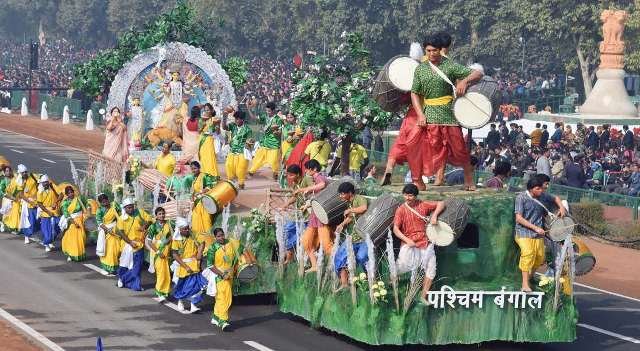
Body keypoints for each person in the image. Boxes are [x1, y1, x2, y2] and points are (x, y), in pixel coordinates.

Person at [406, 33, 483, 190]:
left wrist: (464, 81)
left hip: (449, 113)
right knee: (416, 145)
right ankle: (417, 180)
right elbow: (414, 92)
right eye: (428, 50)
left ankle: (469, 179)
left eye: (434, 50)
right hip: (428, 114)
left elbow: (478, 73)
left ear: (440, 50)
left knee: (459, 148)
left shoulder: (450, 66)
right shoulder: (420, 69)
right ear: (425, 50)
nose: (431, 54)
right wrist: (420, 113)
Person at [393, 184, 444, 304]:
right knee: (400, 266)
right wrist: (407, 240)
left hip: (425, 242)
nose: (407, 198)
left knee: (431, 269)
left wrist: (435, 215)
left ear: (415, 196)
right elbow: (395, 229)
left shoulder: (423, 204)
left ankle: (423, 296)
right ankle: (391, 285)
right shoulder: (401, 209)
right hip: (409, 243)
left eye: (410, 195)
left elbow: (441, 203)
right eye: (405, 195)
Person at [333, 182, 368, 290]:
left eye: (342, 194)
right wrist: (342, 225)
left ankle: (367, 282)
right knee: (339, 256)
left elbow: (363, 208)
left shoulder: (359, 198)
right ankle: (344, 284)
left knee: (362, 257)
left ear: (350, 193)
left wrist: (350, 210)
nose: (340, 196)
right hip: (353, 237)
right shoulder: (349, 202)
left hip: (364, 237)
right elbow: (352, 217)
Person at [206, 228, 241, 329]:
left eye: (222, 235)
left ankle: (216, 317)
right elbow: (210, 265)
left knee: (221, 298)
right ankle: (223, 320)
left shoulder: (230, 243)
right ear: (215, 237)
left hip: (230, 275)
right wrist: (222, 274)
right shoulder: (212, 248)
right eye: (218, 236)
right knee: (224, 298)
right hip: (219, 276)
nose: (221, 237)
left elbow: (239, 251)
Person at [299, 159, 329, 273]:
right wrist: (307, 205)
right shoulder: (314, 179)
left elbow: (322, 185)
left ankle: (336, 267)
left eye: (308, 168)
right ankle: (314, 265)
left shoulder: (319, 177)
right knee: (306, 241)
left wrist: (305, 188)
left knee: (326, 245)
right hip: (314, 216)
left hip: (321, 217)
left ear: (314, 169)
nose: (306, 170)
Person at [116, 198, 153, 291]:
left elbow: (150, 219)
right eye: (128, 208)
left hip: (139, 244)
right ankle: (126, 280)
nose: (131, 209)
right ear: (124, 208)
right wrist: (130, 242)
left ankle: (129, 282)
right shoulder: (121, 219)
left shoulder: (139, 212)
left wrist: (145, 226)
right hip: (127, 245)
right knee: (126, 265)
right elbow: (121, 233)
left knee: (138, 266)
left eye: (132, 207)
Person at [171, 218, 207, 313]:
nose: (187, 230)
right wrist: (185, 267)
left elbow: (202, 242)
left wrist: (199, 252)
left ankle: (193, 304)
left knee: (198, 285)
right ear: (180, 230)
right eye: (185, 229)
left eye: (188, 228)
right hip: (182, 265)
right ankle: (180, 301)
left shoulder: (193, 235)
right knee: (182, 286)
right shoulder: (176, 240)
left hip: (194, 264)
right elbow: (175, 255)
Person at [280, 164, 311, 263]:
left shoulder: (306, 180)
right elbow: (295, 196)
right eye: (288, 175)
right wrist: (286, 204)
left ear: (298, 174)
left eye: (291, 175)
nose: (289, 177)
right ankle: (289, 252)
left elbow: (314, 192)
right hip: (298, 213)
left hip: (308, 214)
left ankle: (289, 255)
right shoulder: (295, 183)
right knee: (287, 229)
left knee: (299, 233)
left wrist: (307, 203)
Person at [248, 101, 283, 180]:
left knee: (274, 161)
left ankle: (275, 173)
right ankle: (251, 171)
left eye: (269, 111)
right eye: (266, 111)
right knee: (258, 158)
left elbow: (280, 132)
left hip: (274, 144)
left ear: (274, 111)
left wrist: (276, 132)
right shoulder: (265, 117)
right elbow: (254, 118)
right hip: (265, 142)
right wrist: (248, 109)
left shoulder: (278, 120)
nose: (267, 112)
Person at [145, 206, 173, 302]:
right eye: (159, 214)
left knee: (167, 273)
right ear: (156, 216)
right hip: (158, 251)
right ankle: (159, 292)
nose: (162, 215)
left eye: (163, 213)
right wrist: (158, 251)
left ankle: (165, 291)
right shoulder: (153, 226)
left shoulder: (168, 224)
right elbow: (149, 242)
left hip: (167, 251)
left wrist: (167, 241)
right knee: (161, 273)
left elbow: (171, 237)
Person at [189, 161, 218, 246]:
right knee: (195, 223)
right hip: (196, 204)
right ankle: (198, 244)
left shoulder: (204, 176)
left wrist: (201, 192)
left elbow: (210, 186)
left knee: (206, 223)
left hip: (204, 203)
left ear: (199, 168)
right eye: (192, 169)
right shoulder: (194, 178)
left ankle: (209, 244)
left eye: (195, 168)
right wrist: (192, 199)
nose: (193, 170)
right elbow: (193, 191)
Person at [223, 110, 253, 189]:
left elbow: (250, 139)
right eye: (235, 119)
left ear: (242, 120)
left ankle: (241, 184)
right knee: (228, 166)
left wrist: (249, 143)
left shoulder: (247, 129)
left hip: (242, 152)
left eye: (237, 119)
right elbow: (224, 127)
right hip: (232, 151)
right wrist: (224, 116)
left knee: (240, 170)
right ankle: (231, 185)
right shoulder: (233, 126)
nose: (236, 121)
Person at [95, 193, 121, 275]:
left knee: (116, 250)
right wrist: (107, 230)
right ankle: (105, 268)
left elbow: (120, 215)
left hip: (115, 229)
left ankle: (114, 268)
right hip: (106, 231)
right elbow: (99, 222)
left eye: (106, 200)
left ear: (108, 199)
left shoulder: (114, 205)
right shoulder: (99, 210)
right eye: (102, 202)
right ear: (100, 203)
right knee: (106, 250)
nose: (105, 203)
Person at [60, 186, 87, 262]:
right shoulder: (65, 203)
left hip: (81, 220)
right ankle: (70, 254)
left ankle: (79, 254)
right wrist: (74, 223)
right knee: (72, 238)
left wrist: (88, 211)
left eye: (72, 192)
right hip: (72, 221)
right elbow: (66, 214)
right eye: (69, 193)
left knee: (82, 237)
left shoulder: (79, 199)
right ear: (66, 194)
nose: (71, 194)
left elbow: (86, 205)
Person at [36, 175, 60, 252]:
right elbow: (40, 204)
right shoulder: (40, 192)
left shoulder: (53, 187)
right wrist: (48, 212)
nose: (46, 184)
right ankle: (46, 243)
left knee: (57, 229)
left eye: (47, 182)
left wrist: (56, 202)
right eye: (44, 182)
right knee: (47, 231)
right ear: (42, 183)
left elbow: (61, 194)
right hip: (45, 212)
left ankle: (50, 241)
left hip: (55, 211)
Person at [16, 164, 39, 244]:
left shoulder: (33, 177)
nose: (25, 173)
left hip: (37, 201)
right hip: (29, 204)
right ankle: (27, 235)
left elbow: (39, 184)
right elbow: (21, 195)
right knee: (30, 221)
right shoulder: (20, 182)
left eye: (26, 172)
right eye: (23, 172)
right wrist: (31, 202)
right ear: (20, 173)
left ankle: (33, 232)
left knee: (38, 220)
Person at [198, 105, 220, 177]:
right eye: (205, 110)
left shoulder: (214, 119)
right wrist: (203, 125)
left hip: (209, 140)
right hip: (202, 140)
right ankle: (204, 175)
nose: (206, 112)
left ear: (212, 110)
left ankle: (212, 175)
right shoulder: (201, 119)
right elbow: (199, 131)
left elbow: (217, 132)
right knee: (203, 158)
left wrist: (216, 125)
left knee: (210, 158)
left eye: (208, 110)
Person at [2, 165, 21, 233]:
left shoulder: (15, 178)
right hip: (7, 199)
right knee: (7, 214)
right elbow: (2, 191)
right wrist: (10, 197)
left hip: (16, 199)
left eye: (9, 170)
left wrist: (16, 197)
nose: (8, 172)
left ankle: (16, 227)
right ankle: (5, 225)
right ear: (4, 172)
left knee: (16, 212)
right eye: (7, 171)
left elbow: (19, 188)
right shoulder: (3, 181)